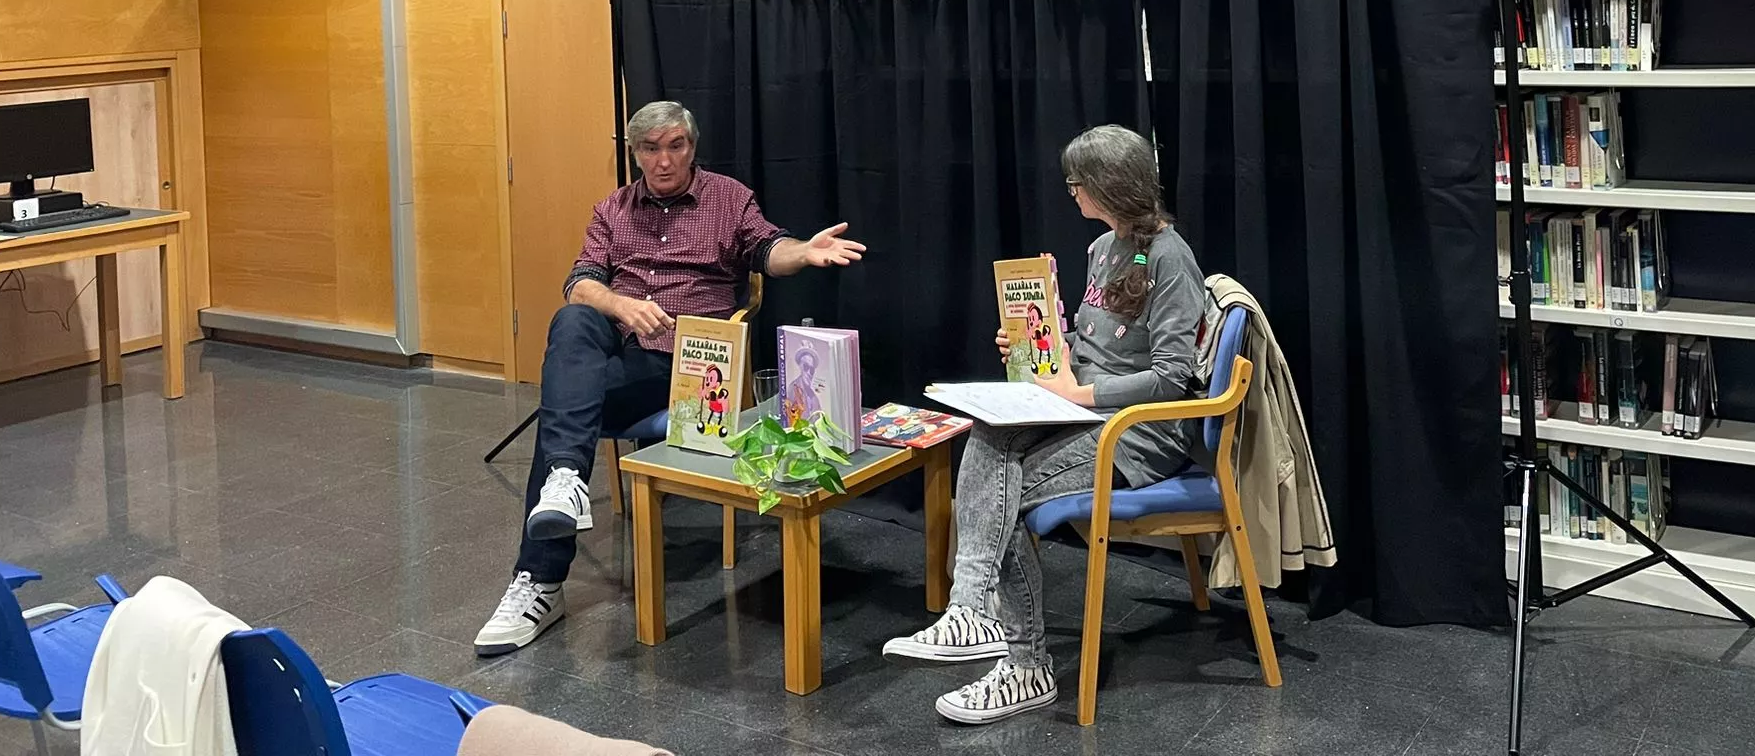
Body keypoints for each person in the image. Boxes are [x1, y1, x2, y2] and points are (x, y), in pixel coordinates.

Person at [475, 99, 864, 655]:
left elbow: (766, 248)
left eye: (675, 146)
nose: (664, 161)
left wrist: (802, 251)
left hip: (691, 367)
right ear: (634, 154)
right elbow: (580, 281)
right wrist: (622, 305)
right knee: (576, 319)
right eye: (651, 149)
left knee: (564, 409)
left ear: (692, 146)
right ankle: (562, 494)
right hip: (622, 351)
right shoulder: (612, 209)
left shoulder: (727, 199)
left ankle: (541, 579)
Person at [883, 124, 1209, 724]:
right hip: (1085, 413)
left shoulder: (1171, 258)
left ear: (1107, 186)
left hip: (1139, 432)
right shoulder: (1103, 248)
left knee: (998, 494)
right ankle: (971, 610)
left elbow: (1173, 377)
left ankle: (1022, 662)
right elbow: (1087, 349)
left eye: (1076, 183)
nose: (1071, 193)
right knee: (986, 434)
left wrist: (1080, 390)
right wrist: (1034, 346)